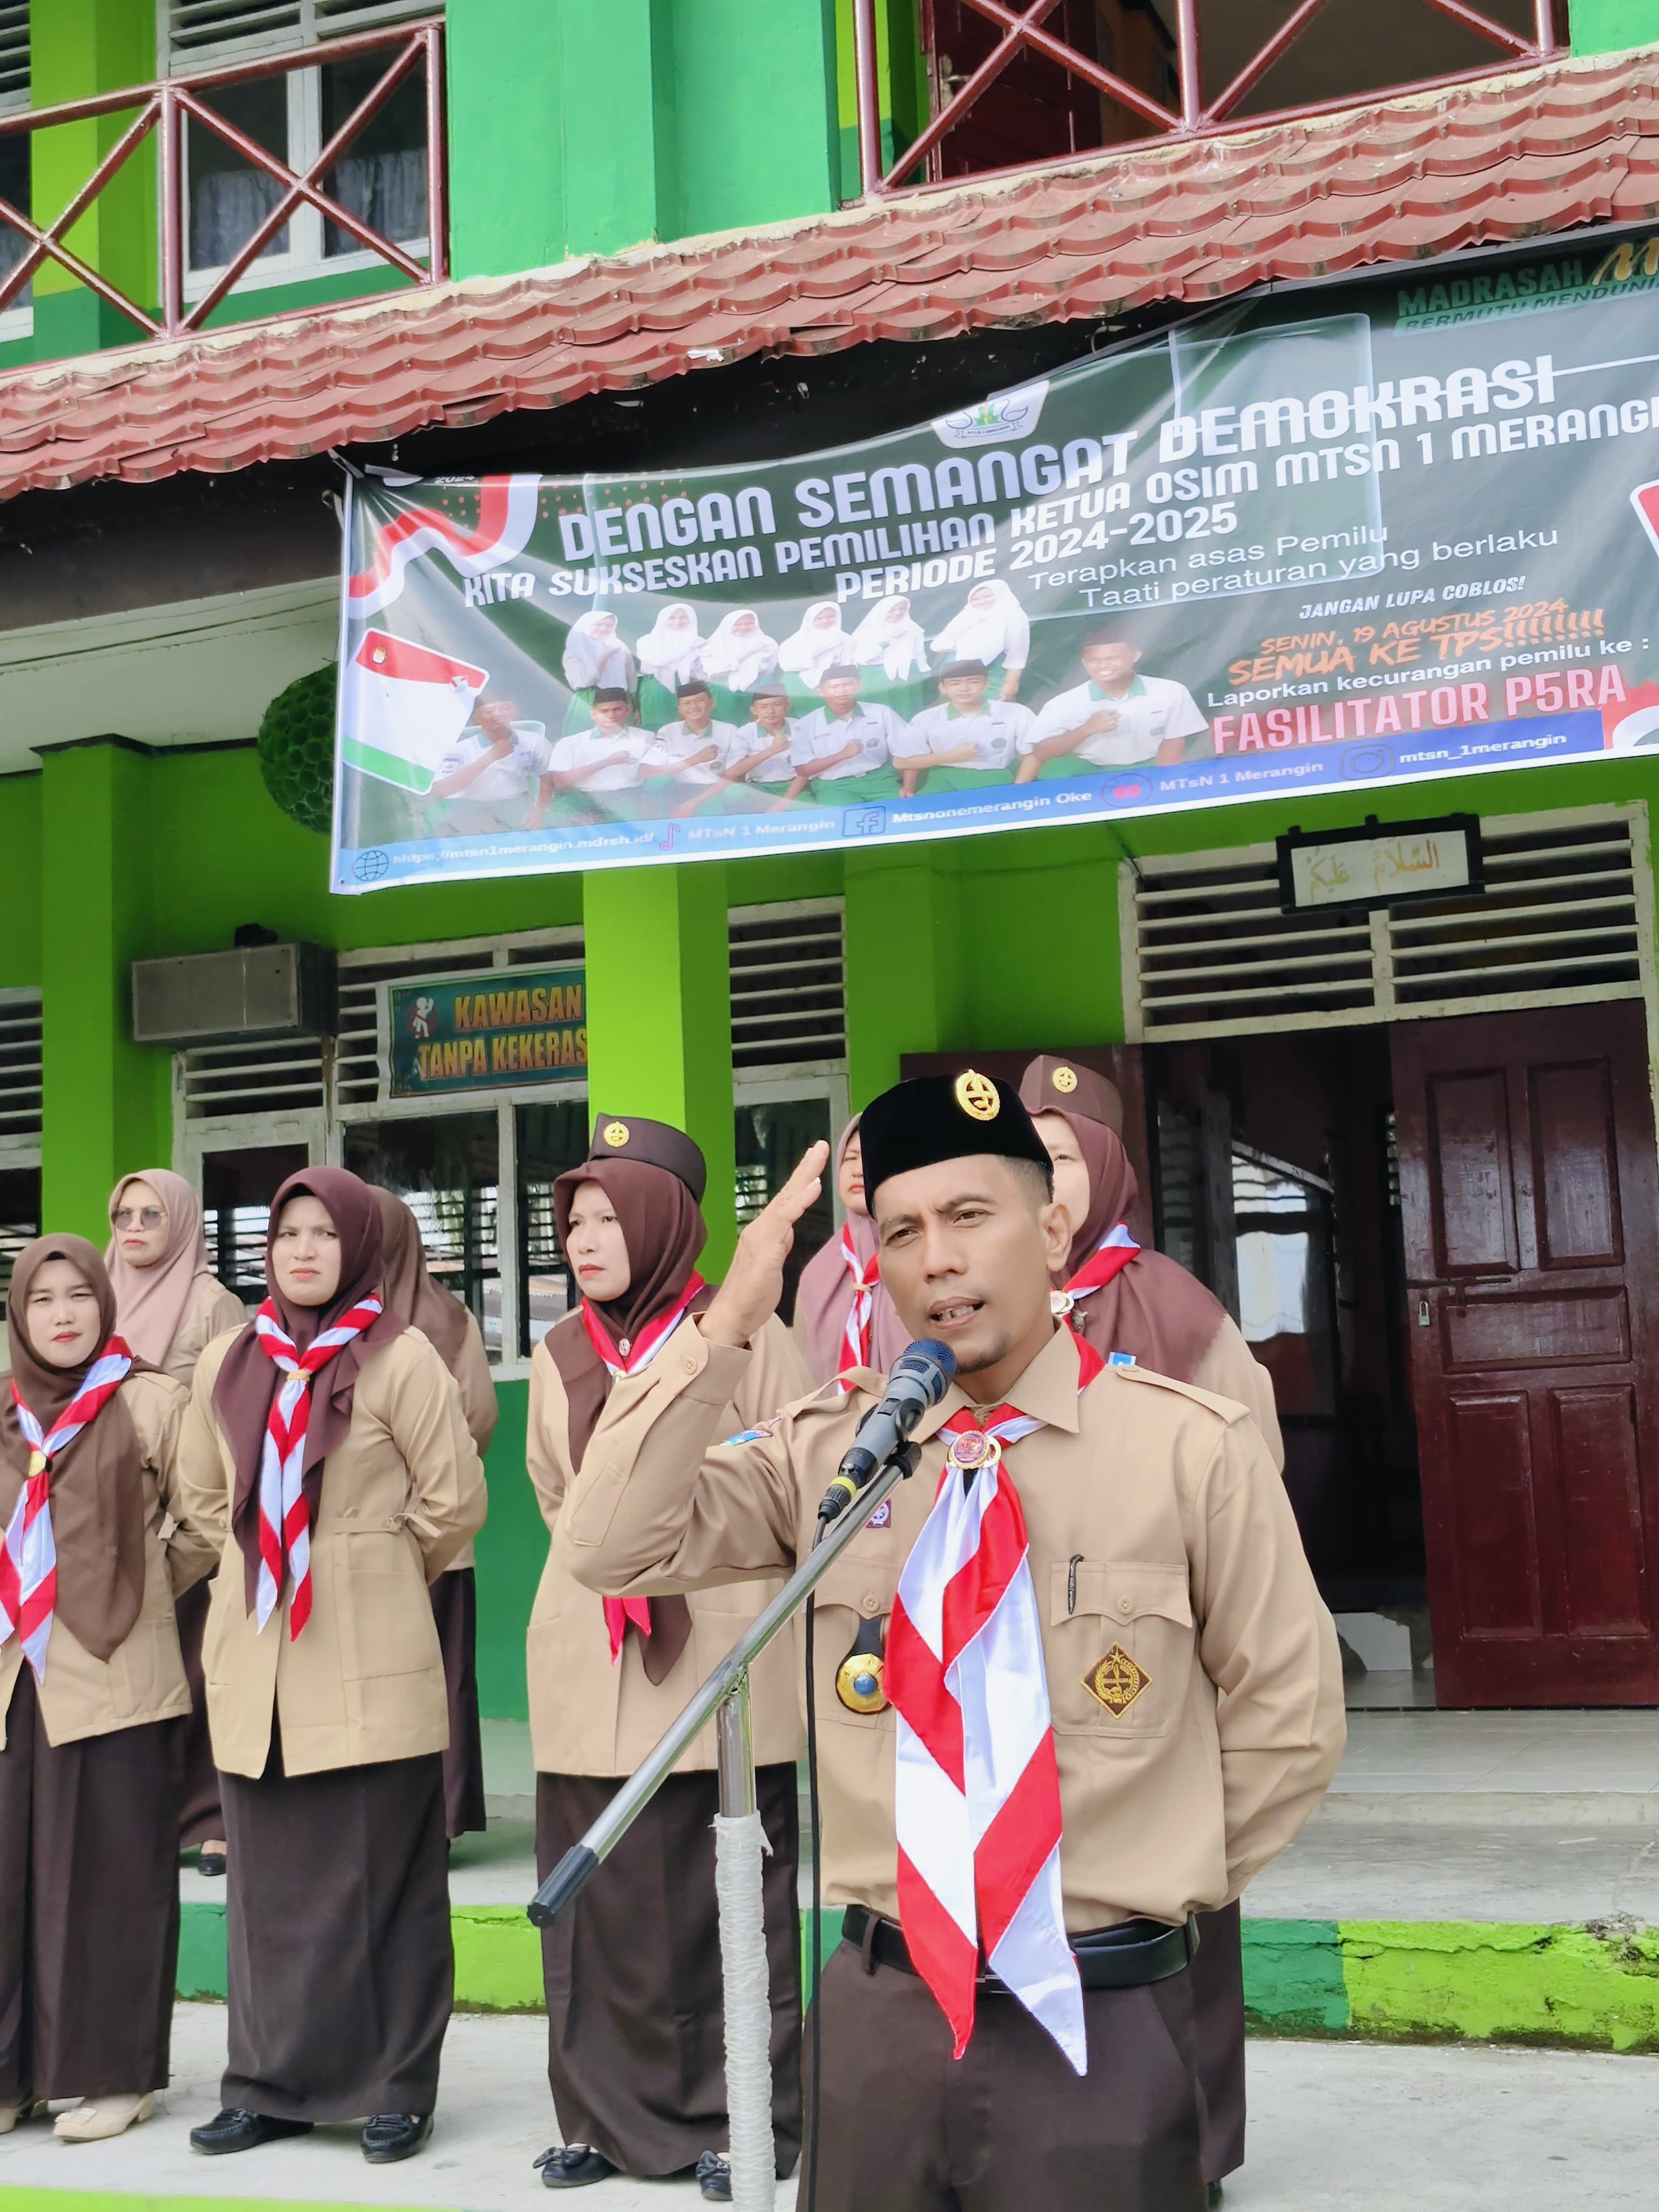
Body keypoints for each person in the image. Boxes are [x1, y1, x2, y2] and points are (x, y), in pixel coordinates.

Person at [550, 1073, 1344, 2212]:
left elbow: (1290, 1716)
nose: (937, 1259)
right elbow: (608, 1544)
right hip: (882, 2014)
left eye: (970, 1216)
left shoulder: (1187, 1449)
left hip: (1098, 2011)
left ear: (1052, 1228)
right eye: (903, 1230)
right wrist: (722, 1330)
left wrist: (1158, 1879)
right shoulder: (835, 1450)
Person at [178, 1169, 486, 2167]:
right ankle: (269, 2086)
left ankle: (396, 2086)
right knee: (269, 1894)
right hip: (257, 1661)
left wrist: (367, 1567)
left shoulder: (401, 1359)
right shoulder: (227, 1360)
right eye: (286, 1235)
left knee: (384, 1884)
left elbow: (454, 1502)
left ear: (359, 1247)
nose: (303, 1251)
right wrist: (266, 1562)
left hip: (368, 1653)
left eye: (323, 1234)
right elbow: (201, 1496)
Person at [527, 1115, 808, 2200]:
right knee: (601, 1909)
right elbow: (558, 1497)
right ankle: (600, 2118)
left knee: (723, 1900)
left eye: (609, 1218)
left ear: (659, 1222)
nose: (586, 1240)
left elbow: (791, 1471)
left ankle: (746, 2120)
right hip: (592, 1658)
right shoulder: (560, 1352)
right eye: (575, 1223)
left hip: (717, 1649)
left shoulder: (747, 1329)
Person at [1019, 1053, 1284, 2200]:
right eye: (1024, 1161)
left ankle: (1196, 2141)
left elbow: (1250, 1487)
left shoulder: (1180, 1311)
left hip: (1150, 1650)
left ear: (1108, 1167)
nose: (1043, 1183)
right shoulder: (975, 1313)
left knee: (1176, 1904)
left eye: (1061, 1158)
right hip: (1021, 1648)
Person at [0, 1235, 212, 2142]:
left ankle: (117, 2075)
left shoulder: (153, 1401)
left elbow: (205, 1523)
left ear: (105, 1301)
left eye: (79, 1295)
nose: (62, 1314)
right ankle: (13, 2077)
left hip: (117, 1671)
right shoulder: (4, 1409)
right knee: (8, 1880)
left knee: (111, 1879)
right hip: (14, 1675)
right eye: (42, 1299)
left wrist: (133, 1591)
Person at [106, 1171, 246, 1883]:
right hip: (117, 1519)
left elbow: (238, 1405)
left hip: (196, 1517)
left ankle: (216, 1822)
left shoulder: (213, 1302)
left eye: (151, 1215)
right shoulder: (97, 1296)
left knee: (204, 1667)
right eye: (123, 1215)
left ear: (183, 1221)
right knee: (143, 1679)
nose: (134, 1227)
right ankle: (153, 1820)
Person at [373, 1188, 497, 1843]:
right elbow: (476, 1416)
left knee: (424, 1676)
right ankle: (435, 1821)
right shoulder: (451, 1317)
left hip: (419, 1536)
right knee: (437, 1675)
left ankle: (427, 1820)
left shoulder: (444, 1320)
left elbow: (478, 1417)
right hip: (431, 1537)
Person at [793, 1115, 907, 1387]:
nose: (858, 1170)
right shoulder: (819, 1274)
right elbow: (802, 1378)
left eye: (870, 1157)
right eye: (850, 1158)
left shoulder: (925, 1259)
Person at [1014, 634, 1208, 778]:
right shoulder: (1065, 702)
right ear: (1084, 663)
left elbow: (1173, 741)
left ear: (1135, 656)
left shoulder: (1170, 690)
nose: (1103, 666)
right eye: (1093, 661)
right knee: (1058, 771)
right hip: (1091, 769)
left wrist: (1166, 780)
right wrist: (1087, 729)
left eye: (1112, 659)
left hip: (1149, 764)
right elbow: (1041, 751)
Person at [892, 657, 1036, 794]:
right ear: (943, 688)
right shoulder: (927, 718)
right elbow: (901, 762)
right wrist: (951, 757)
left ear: (987, 684)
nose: (964, 688)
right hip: (943, 778)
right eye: (955, 683)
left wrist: (1020, 789)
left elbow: (1033, 754)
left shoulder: (1016, 712)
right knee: (926, 809)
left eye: (973, 682)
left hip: (995, 776)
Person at [778, 665, 905, 807]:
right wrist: (842, 755)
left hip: (880, 780)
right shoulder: (807, 724)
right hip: (834, 786)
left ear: (859, 686)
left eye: (848, 684)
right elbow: (803, 769)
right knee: (842, 818)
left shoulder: (881, 712)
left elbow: (907, 749)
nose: (842, 691)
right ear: (820, 691)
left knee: (900, 812)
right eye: (834, 687)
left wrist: (908, 787)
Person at [428, 698, 555, 834]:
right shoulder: (460, 750)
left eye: (504, 708)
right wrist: (491, 757)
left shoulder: (534, 741)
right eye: (490, 711)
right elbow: (441, 790)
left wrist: (539, 811)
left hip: (515, 805)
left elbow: (549, 778)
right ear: (477, 717)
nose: (498, 714)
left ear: (514, 711)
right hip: (470, 809)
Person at [529, 690, 652, 826]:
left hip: (628, 798)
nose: (611, 715)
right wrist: (608, 762)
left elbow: (654, 774)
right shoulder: (571, 743)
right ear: (593, 714)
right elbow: (560, 782)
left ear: (628, 710)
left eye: (618, 709)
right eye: (604, 711)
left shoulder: (645, 738)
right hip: (583, 800)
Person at [640, 679, 742, 815]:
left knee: (710, 817)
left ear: (712, 703)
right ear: (680, 709)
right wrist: (695, 760)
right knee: (657, 782)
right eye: (686, 703)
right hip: (676, 790)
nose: (694, 707)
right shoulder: (668, 731)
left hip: (712, 791)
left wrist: (693, 803)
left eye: (700, 700)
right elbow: (648, 772)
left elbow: (733, 777)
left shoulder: (729, 732)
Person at [697, 682, 799, 811]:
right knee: (733, 793)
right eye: (763, 707)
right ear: (754, 710)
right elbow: (733, 772)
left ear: (787, 706)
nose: (771, 711)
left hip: (793, 786)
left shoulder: (800, 728)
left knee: (805, 810)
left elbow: (806, 772)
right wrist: (772, 751)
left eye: (777, 705)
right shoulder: (745, 732)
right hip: (759, 787)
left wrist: (784, 803)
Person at [929, 578, 1030, 699]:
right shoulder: (967, 615)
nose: (982, 602)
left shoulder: (1013, 615)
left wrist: (1011, 683)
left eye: (988, 597)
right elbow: (940, 644)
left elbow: (1017, 654)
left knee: (991, 707)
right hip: (956, 672)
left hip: (993, 672)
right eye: (976, 599)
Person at [851, 595, 930, 713]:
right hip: (876, 676)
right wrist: (887, 640)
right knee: (878, 711)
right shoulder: (866, 632)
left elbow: (920, 654)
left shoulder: (913, 628)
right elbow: (861, 658)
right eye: (892, 610)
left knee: (908, 709)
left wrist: (925, 673)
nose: (898, 613)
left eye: (902, 609)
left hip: (908, 675)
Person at [635, 603, 707, 726]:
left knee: (690, 726)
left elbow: (703, 669)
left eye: (683, 617)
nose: (678, 622)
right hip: (657, 686)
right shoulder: (648, 641)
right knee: (657, 724)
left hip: (690, 687)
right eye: (672, 618)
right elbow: (659, 661)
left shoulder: (698, 640)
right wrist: (688, 648)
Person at [700, 609, 779, 711]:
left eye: (749, 624)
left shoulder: (768, 642)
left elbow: (771, 666)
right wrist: (749, 652)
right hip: (722, 688)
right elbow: (715, 670)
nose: (743, 627)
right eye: (738, 624)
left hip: (760, 687)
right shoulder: (712, 645)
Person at [778, 600, 855, 695]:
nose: (825, 621)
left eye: (830, 617)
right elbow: (787, 666)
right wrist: (826, 648)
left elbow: (849, 663)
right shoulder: (796, 641)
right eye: (819, 618)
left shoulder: (846, 638)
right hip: (799, 684)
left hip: (836, 686)